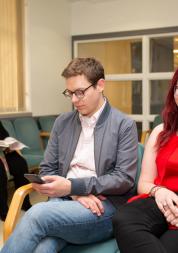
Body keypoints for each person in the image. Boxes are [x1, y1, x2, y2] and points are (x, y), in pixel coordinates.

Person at [1, 57, 138, 253]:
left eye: (80, 92)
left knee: (36, 214)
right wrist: (74, 192)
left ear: (100, 85)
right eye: (70, 93)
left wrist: (73, 186)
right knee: (43, 248)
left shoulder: (124, 124)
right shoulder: (63, 122)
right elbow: (48, 169)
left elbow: (123, 179)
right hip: (64, 200)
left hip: (103, 207)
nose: (74, 100)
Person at [112, 68, 178, 253]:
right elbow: (144, 183)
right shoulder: (160, 132)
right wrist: (159, 191)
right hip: (160, 201)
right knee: (123, 219)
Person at [0, 121, 32, 221]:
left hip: (2, 151)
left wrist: (9, 145)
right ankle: (3, 210)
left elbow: (5, 137)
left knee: (20, 163)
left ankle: (24, 202)